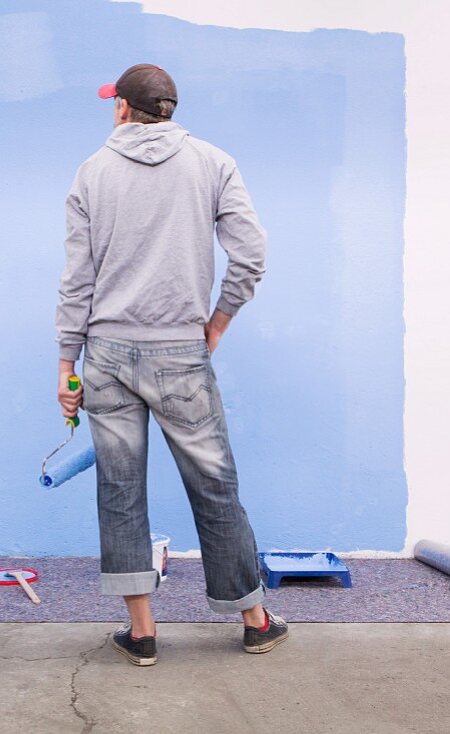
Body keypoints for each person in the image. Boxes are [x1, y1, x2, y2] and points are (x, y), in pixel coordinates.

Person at [53, 63, 287, 666]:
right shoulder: (213, 163)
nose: (112, 111)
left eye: (114, 103)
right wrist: (218, 322)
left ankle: (143, 632)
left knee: (120, 490)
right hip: (181, 351)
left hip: (105, 354)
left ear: (126, 109)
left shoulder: (91, 173)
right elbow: (251, 253)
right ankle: (256, 620)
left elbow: (77, 282)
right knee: (214, 484)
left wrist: (66, 362)